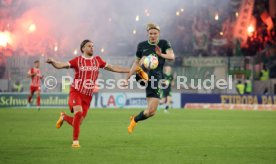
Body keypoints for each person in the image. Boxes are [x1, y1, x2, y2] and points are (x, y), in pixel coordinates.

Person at [46, 39, 130, 148]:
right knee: (78, 112)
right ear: (83, 48)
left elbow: (114, 68)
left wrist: (131, 70)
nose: (92, 48)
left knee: (78, 122)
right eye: (89, 46)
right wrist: (53, 62)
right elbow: (61, 65)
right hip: (76, 91)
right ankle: (75, 142)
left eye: (93, 46)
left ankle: (64, 117)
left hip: (88, 96)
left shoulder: (97, 60)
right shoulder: (77, 61)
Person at [125, 23, 175, 134]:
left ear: (159, 33)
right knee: (142, 60)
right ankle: (142, 73)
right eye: (150, 33)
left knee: (151, 112)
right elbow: (135, 63)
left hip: (156, 80)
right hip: (147, 78)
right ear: (148, 33)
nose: (152, 35)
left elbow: (172, 57)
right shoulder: (142, 45)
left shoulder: (163, 43)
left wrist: (160, 54)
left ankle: (135, 119)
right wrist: (127, 77)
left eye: (155, 33)